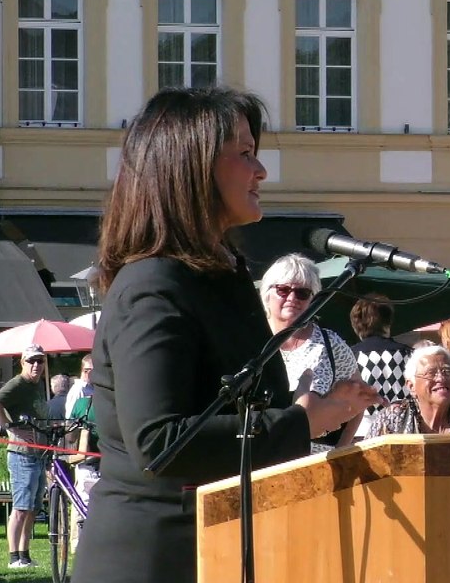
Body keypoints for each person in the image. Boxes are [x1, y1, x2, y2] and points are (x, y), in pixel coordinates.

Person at [71, 86, 379, 583]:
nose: (260, 171)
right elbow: (160, 442)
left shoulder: (219, 276)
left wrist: (311, 408)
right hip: (160, 556)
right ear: (191, 168)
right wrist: (301, 421)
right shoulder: (153, 284)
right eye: (244, 154)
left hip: (219, 545)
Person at [260, 253, 363, 451]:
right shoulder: (252, 341)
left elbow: (359, 399)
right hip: (262, 461)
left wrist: (341, 450)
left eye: (302, 293)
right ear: (267, 293)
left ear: (313, 300)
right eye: (283, 290)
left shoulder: (329, 343)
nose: (292, 298)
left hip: (318, 464)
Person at [0, 343, 50, 569]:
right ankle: (14, 557)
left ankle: (25, 554)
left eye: (40, 361)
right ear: (22, 362)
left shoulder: (37, 385)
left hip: (39, 454)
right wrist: (10, 427)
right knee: (21, 507)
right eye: (31, 360)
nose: (36, 365)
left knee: (33, 507)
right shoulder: (18, 384)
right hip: (22, 455)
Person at [364, 345, 450, 436]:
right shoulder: (392, 419)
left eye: (447, 371)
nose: (441, 378)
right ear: (411, 386)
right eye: (431, 373)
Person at [348, 293, 414, 439]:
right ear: (388, 322)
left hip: (361, 433)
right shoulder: (409, 354)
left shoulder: (349, 356)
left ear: (356, 325)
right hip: (404, 429)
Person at [67, 354, 97, 554]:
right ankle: (78, 541)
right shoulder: (78, 392)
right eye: (86, 371)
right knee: (82, 501)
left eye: (92, 371)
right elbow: (71, 429)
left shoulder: (95, 394)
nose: (89, 375)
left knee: (85, 501)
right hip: (86, 456)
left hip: (95, 458)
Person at [64, 354, 92, 418]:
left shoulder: (92, 387)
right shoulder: (78, 390)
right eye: (87, 370)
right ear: (83, 371)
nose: (90, 373)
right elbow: (69, 417)